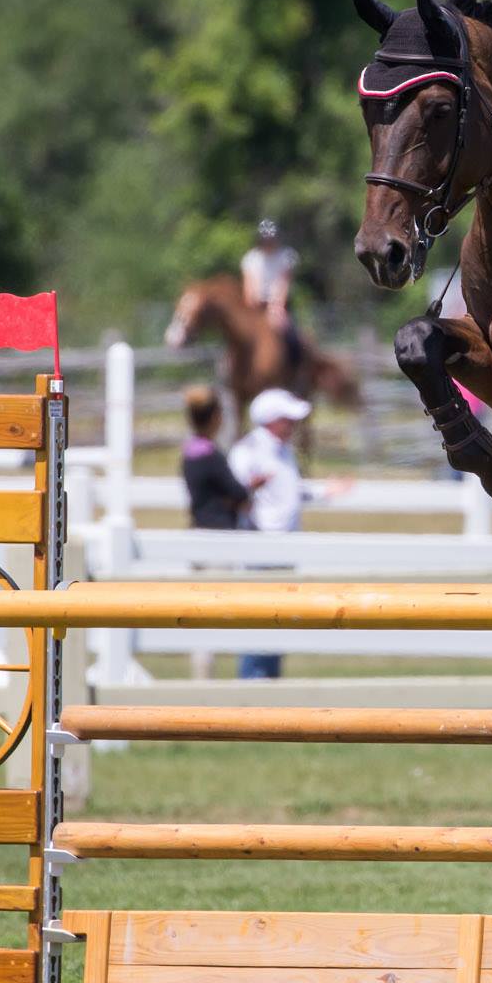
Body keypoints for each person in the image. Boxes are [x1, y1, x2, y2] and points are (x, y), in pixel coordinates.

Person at [227, 386, 318, 679]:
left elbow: (291, 492)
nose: (292, 425)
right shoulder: (247, 451)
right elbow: (236, 496)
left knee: (279, 620)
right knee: (257, 621)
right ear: (271, 420)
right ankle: (253, 685)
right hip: (261, 550)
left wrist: (328, 491)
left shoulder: (283, 451)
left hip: (284, 550)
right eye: (286, 419)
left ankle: (268, 685)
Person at [179, 385, 248, 530]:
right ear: (215, 417)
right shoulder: (211, 456)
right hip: (220, 528)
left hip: (199, 524)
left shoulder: (188, 454)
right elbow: (238, 493)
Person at [240, 219, 297, 343]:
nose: (268, 243)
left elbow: (284, 283)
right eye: (265, 240)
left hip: (279, 306)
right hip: (256, 306)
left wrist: (277, 308)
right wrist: (254, 307)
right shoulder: (250, 259)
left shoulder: (286, 256)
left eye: (271, 239)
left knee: (292, 337)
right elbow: (249, 288)